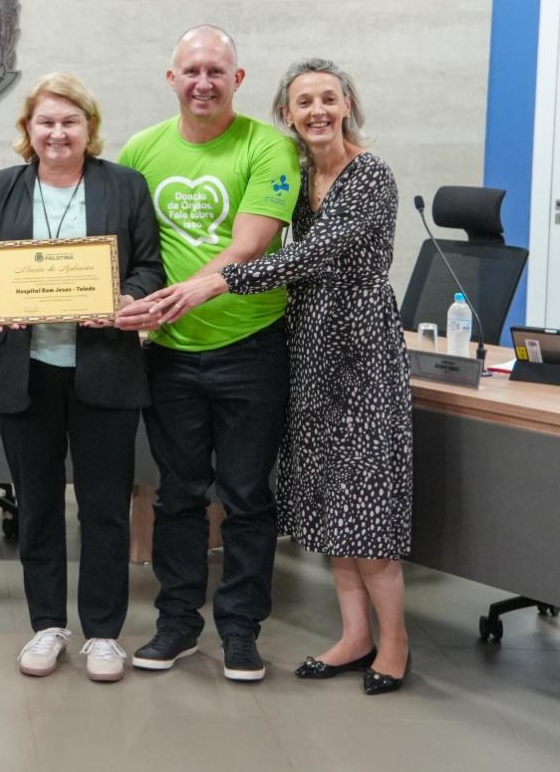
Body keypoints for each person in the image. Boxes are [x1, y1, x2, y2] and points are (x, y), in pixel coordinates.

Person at [141, 59, 414, 694]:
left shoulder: (369, 174)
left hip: (362, 357)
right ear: (285, 114)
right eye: (302, 102)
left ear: (348, 103)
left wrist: (220, 281)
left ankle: (394, 644)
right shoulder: (303, 173)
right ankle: (354, 635)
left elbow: (311, 256)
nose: (316, 110)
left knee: (368, 506)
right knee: (330, 504)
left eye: (328, 98)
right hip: (308, 353)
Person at [0, 73, 165, 682]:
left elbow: (151, 266)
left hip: (104, 366)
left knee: (105, 507)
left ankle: (103, 633)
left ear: (89, 129)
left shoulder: (125, 186)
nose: (57, 132)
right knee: (39, 505)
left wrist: (126, 295)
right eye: (46, 122)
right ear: (28, 129)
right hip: (27, 373)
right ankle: (47, 625)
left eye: (70, 122)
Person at [115, 25, 300, 682]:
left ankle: (242, 627)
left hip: (250, 347)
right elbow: (122, 244)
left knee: (247, 494)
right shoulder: (141, 149)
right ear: (172, 79)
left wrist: (189, 292)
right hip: (167, 353)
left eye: (216, 72)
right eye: (191, 70)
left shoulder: (268, 146)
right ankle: (177, 622)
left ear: (238, 80)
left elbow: (251, 243)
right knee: (179, 494)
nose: (203, 83)